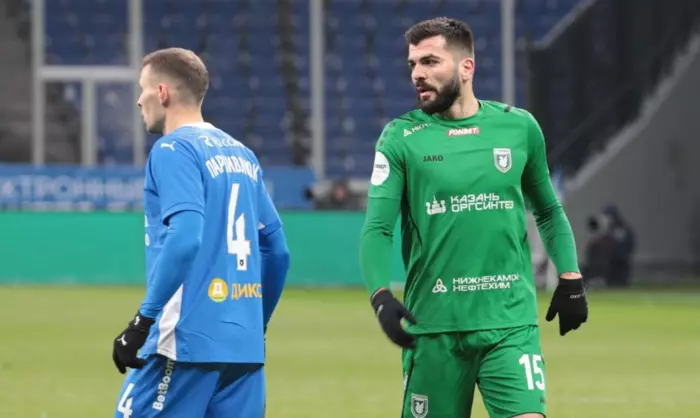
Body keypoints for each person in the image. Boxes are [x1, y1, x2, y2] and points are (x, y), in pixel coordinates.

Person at [358, 18, 588, 418]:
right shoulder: (400, 138)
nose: (417, 74)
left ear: (467, 68)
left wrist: (570, 276)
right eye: (413, 64)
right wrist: (380, 297)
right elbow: (378, 228)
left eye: (430, 61)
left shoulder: (519, 128)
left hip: (509, 321)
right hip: (434, 326)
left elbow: (548, 211)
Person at [111, 47, 290, 418]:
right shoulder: (242, 155)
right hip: (243, 350)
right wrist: (255, 325)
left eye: (143, 89)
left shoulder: (173, 149)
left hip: (184, 343)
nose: (139, 100)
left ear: (162, 93)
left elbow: (186, 236)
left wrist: (142, 321)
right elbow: (277, 250)